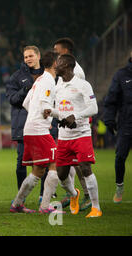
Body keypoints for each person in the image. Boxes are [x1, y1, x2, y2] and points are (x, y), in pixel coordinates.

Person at [9, 51, 63, 214]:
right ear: (55, 63)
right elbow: (45, 108)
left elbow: (26, 102)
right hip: (39, 130)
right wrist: (61, 113)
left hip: (30, 128)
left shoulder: (39, 79)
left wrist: (36, 116)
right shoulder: (48, 81)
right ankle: (45, 206)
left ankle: (17, 203)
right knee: (55, 164)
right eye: (60, 62)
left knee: (38, 170)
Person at [51, 54, 101, 218]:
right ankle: (74, 194)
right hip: (64, 136)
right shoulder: (58, 86)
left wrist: (76, 116)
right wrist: (51, 112)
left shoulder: (83, 85)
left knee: (85, 167)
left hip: (81, 134)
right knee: (61, 174)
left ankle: (96, 208)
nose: (55, 65)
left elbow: (93, 108)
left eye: (58, 62)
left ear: (66, 65)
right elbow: (62, 112)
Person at [53, 37, 91, 211]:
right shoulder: (62, 74)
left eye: (57, 52)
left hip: (77, 125)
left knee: (80, 162)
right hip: (65, 123)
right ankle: (72, 193)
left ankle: (87, 195)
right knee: (68, 162)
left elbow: (82, 100)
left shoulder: (78, 73)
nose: (55, 56)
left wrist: (75, 118)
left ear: (65, 52)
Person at [5, 46, 44, 195]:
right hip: (24, 126)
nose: (28, 59)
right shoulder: (16, 77)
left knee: (45, 162)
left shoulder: (48, 75)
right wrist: (25, 89)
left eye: (31, 56)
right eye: (26, 57)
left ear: (38, 56)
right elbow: (12, 99)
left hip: (43, 125)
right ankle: (21, 196)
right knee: (21, 163)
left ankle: (43, 195)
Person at [103, 50, 132, 204]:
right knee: (120, 156)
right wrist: (109, 120)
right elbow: (111, 99)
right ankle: (119, 187)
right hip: (126, 123)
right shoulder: (121, 75)